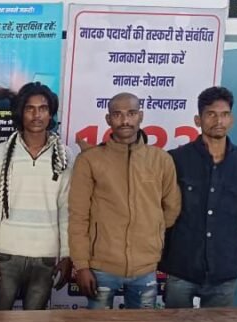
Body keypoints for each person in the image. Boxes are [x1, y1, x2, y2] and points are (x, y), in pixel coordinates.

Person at [68, 92, 181, 309]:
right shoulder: (90, 160)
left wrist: (151, 230)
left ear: (141, 116)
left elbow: (171, 207)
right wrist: (81, 266)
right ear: (108, 119)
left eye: (131, 113)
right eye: (117, 114)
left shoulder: (161, 160)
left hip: (145, 267)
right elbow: (78, 216)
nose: (125, 120)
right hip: (101, 267)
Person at [161, 87, 237, 308]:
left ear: (232, 119)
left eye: (224, 114)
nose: (218, 121)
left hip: (224, 268)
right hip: (182, 266)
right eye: (211, 114)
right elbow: (165, 209)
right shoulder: (175, 160)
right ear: (198, 120)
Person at [0, 82, 72, 310]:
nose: (36, 115)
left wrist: (66, 254)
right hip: (6, 254)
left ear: (50, 113)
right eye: (30, 108)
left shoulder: (64, 155)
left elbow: (66, 208)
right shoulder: (2, 152)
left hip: (46, 257)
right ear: (21, 112)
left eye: (43, 108)